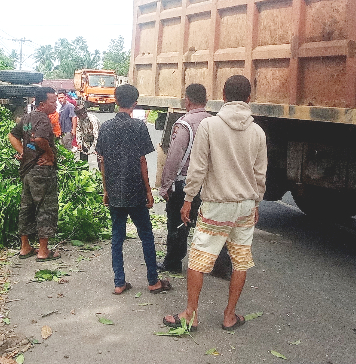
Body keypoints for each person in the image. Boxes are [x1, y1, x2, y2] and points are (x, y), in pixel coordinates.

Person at [163, 75, 266, 331]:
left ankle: (191, 314)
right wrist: (256, 203)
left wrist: (187, 199)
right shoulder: (258, 132)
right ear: (249, 98)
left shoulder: (210, 126)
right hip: (244, 206)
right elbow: (260, 174)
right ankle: (229, 316)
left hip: (217, 205)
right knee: (240, 260)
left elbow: (198, 168)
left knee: (198, 259)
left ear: (223, 96)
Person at [97, 84, 171, 295]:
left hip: (115, 191)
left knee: (117, 237)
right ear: (135, 103)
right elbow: (142, 162)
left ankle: (119, 282)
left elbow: (102, 162)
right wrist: (149, 191)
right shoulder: (139, 127)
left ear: (116, 100)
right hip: (136, 190)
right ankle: (153, 281)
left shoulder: (106, 127)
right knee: (146, 235)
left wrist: (106, 190)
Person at [157, 84, 211, 273]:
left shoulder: (184, 124)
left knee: (178, 223)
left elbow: (173, 158)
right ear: (206, 100)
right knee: (209, 225)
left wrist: (165, 186)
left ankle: (173, 263)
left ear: (187, 100)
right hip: (208, 184)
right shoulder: (213, 122)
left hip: (185, 184)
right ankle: (215, 265)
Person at [8, 87, 61, 262]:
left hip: (27, 170)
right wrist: (50, 155)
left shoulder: (27, 117)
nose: (56, 104)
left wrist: (24, 152)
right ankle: (43, 251)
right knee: (45, 208)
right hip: (42, 171)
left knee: (26, 207)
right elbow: (39, 139)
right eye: (52, 102)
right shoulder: (43, 119)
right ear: (42, 104)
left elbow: (12, 136)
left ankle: (25, 247)